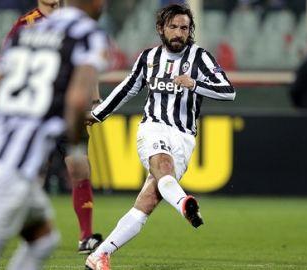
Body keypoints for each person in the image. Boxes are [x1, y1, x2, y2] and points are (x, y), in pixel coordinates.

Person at [0, 0, 108, 269]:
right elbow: (78, 100)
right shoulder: (88, 33)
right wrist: (75, 147)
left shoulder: (26, 30)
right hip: (10, 166)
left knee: (43, 239)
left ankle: (84, 233)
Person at [84, 4, 236, 269]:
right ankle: (184, 204)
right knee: (162, 165)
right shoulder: (148, 58)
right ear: (161, 29)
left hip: (184, 138)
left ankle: (99, 255)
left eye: (184, 28)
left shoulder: (200, 58)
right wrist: (99, 114)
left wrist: (195, 84)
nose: (179, 33)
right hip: (153, 128)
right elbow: (127, 88)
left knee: (147, 202)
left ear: (190, 31)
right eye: (173, 27)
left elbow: (228, 91)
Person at [4, 0, 104, 254]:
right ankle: (28, 232)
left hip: (69, 112)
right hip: (38, 114)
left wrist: (93, 99)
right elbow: (10, 64)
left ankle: (86, 236)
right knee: (35, 175)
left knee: (80, 169)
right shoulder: (25, 24)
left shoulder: (75, 22)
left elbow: (87, 64)